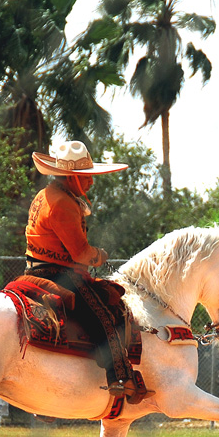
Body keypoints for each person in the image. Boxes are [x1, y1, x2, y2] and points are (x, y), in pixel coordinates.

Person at [22, 140, 136, 396]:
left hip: (34, 270)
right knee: (103, 316)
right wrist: (100, 255)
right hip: (59, 275)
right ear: (71, 177)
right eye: (85, 177)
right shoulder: (63, 204)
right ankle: (119, 377)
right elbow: (81, 253)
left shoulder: (46, 195)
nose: (91, 182)